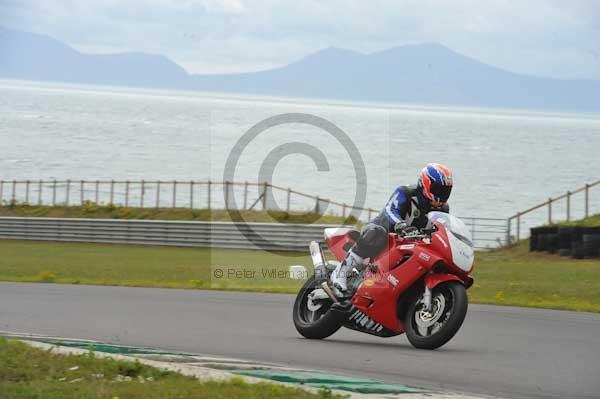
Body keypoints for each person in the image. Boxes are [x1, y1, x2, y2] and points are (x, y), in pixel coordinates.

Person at [331, 163, 453, 297]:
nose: (442, 194)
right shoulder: (405, 192)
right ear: (426, 183)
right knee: (377, 233)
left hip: (411, 245)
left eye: (445, 191)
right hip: (385, 233)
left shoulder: (443, 209)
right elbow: (390, 210)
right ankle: (340, 274)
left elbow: (441, 229)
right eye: (438, 189)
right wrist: (400, 225)